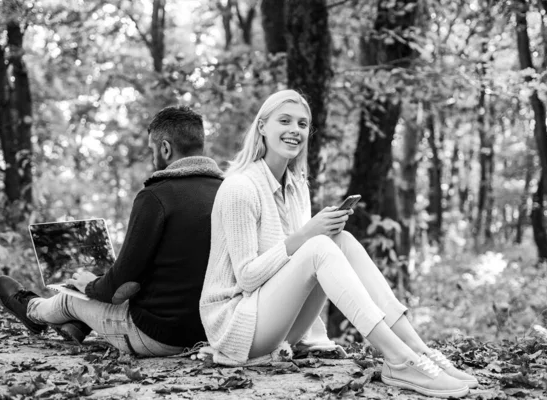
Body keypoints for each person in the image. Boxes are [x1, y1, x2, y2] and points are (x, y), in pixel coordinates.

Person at [199, 90, 478, 398]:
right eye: (285, 120)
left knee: (339, 238)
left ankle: (418, 349)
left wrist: (317, 339)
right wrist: (307, 236)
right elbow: (248, 277)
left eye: (302, 124)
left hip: (276, 325)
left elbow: (292, 269)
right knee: (318, 245)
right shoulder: (240, 187)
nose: (295, 130)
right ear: (262, 127)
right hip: (237, 326)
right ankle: (398, 360)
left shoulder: (296, 186)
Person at [0, 106, 223, 356]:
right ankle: (76, 326)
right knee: (97, 293)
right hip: (212, 331)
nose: (152, 157)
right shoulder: (227, 191)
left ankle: (31, 309)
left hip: (159, 337)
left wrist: (89, 285)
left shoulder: (156, 196)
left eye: (152, 150)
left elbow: (120, 285)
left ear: (165, 149)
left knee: (72, 297)